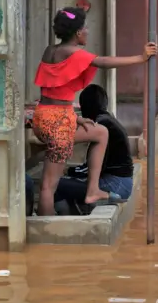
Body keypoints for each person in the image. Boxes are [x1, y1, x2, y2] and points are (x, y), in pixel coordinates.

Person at [33, 7, 158, 216]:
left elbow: (54, 94)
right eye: (85, 28)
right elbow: (104, 62)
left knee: (100, 132)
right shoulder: (72, 52)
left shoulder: (50, 50)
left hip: (44, 117)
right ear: (78, 33)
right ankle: (49, 231)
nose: (88, 31)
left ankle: (92, 190)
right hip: (57, 125)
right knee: (47, 186)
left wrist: (73, 117)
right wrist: (141, 58)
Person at [54, 84, 134, 215]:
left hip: (115, 184)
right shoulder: (107, 119)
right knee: (65, 183)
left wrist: (69, 171)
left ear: (85, 106)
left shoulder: (100, 125)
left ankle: (64, 220)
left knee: (56, 185)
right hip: (121, 182)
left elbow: (93, 167)